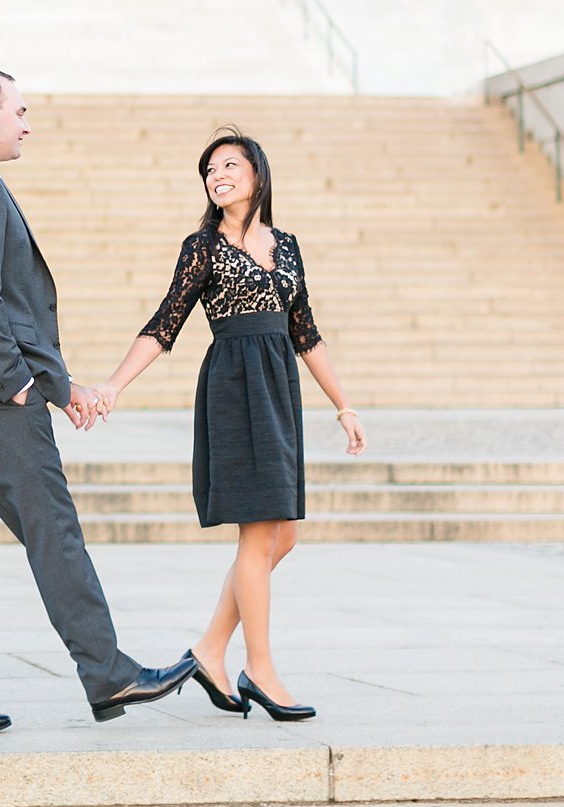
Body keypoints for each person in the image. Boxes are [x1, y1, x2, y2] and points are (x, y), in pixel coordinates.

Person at [0, 66, 195, 737]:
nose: (28, 123)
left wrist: (60, 388)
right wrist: (20, 382)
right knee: (53, 527)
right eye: (20, 110)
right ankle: (107, 668)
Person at [86, 127, 366, 722]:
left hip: (279, 390)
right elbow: (166, 321)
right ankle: (260, 671)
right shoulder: (203, 247)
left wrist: (343, 404)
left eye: (229, 165)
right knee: (258, 533)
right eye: (210, 171)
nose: (218, 176)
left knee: (283, 533)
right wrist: (113, 384)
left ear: (258, 174)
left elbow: (305, 332)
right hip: (234, 387)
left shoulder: (286, 245)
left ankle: (210, 650)